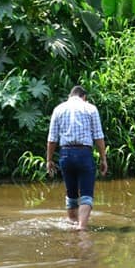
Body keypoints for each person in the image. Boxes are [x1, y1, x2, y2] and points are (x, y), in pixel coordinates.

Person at [46, 85, 107, 230]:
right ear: (84, 97)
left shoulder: (59, 109)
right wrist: (103, 158)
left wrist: (49, 160)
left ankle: (73, 225)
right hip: (84, 153)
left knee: (71, 194)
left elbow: (52, 138)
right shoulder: (90, 108)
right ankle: (82, 227)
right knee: (86, 193)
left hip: (65, 154)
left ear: (70, 95)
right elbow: (98, 136)